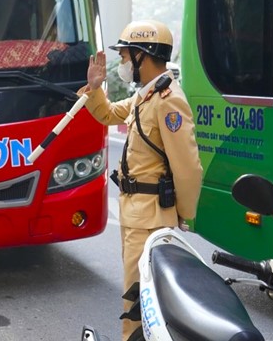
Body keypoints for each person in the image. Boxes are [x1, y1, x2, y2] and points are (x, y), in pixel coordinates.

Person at [79, 20, 203, 341]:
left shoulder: (168, 100)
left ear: (141, 57)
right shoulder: (144, 97)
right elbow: (108, 114)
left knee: (139, 305)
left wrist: (183, 214)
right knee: (137, 300)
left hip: (150, 219)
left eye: (124, 57)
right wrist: (94, 87)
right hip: (135, 214)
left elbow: (187, 167)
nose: (122, 64)